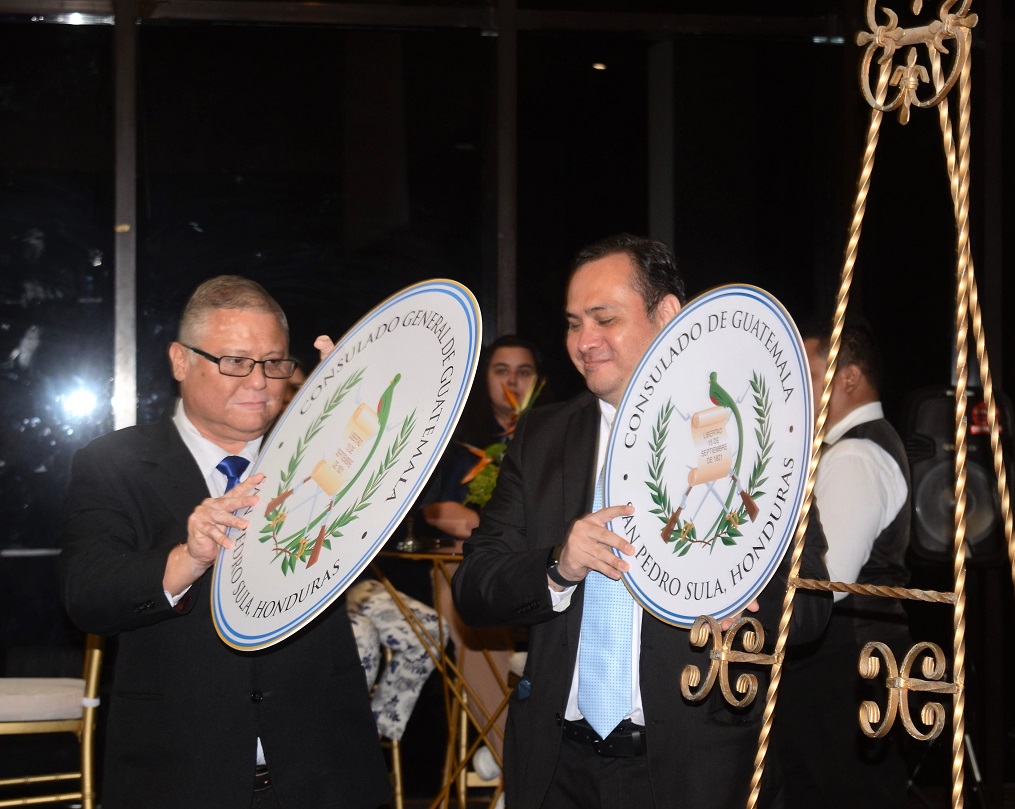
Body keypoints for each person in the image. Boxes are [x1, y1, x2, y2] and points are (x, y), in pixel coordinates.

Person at [450, 234, 832, 809]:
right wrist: (557, 567)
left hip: (694, 769)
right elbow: (475, 586)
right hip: (557, 769)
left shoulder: (748, 428)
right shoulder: (541, 438)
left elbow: (811, 603)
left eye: (605, 318)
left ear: (668, 314)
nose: (584, 341)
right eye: (574, 323)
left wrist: (746, 606)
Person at [58, 276, 392, 809]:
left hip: (325, 769)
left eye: (275, 363)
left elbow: (400, 495)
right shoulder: (113, 463)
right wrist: (187, 559)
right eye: (235, 361)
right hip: (177, 773)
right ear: (180, 360)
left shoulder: (320, 454)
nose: (259, 381)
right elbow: (87, 596)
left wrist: (357, 406)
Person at [774, 318, 913, 808]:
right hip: (843, 679)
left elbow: (824, 586)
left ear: (848, 377)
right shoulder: (858, 447)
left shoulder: (853, 455)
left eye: (809, 375)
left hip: (840, 682)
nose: (796, 389)